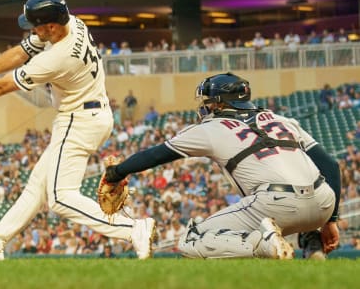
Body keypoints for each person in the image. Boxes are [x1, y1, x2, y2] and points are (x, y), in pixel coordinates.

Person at [0, 0, 155, 260]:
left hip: (79, 119)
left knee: (60, 197)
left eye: (35, 25)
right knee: (36, 187)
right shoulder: (72, 23)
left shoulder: (58, 58)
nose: (31, 30)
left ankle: (133, 228)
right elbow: (20, 52)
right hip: (90, 113)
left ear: (50, 26)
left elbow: (2, 87)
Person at [100, 72, 340, 259]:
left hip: (276, 205)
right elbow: (331, 166)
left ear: (219, 103)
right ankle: (314, 249)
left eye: (209, 101)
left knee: (190, 239)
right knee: (301, 204)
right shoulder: (280, 119)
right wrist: (331, 220)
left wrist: (116, 173)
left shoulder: (212, 128)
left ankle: (265, 246)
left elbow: (155, 155)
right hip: (322, 202)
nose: (206, 105)